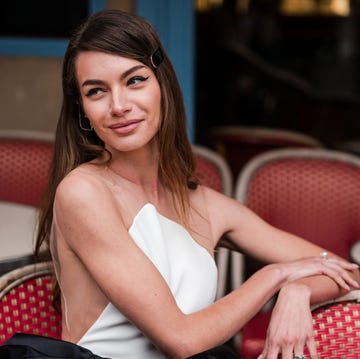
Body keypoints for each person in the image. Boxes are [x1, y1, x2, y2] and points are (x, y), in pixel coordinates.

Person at [35, 9, 360, 359]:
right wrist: (277, 277)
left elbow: (345, 271)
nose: (119, 106)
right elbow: (180, 339)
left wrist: (299, 292)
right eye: (97, 91)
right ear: (82, 109)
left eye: (134, 81)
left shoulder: (206, 205)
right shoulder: (83, 192)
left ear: (163, 86)